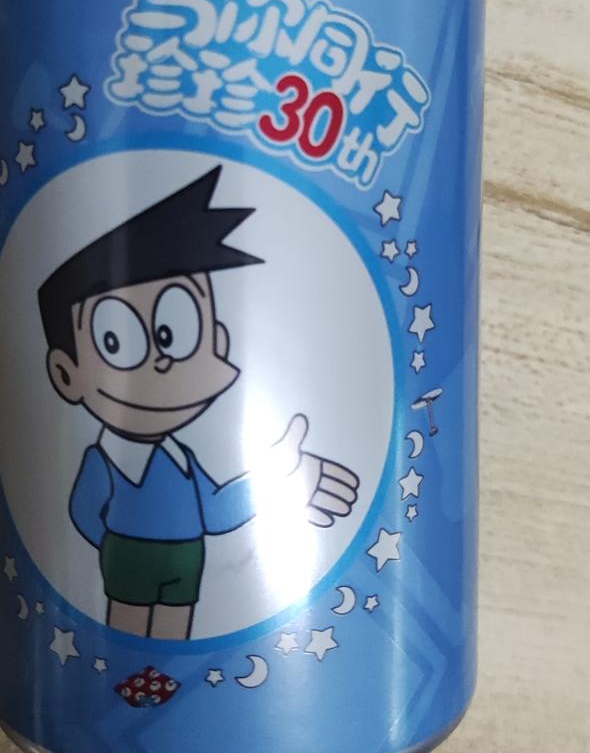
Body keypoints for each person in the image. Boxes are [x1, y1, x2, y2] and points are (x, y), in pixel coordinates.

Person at [38, 166, 359, 639]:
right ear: (67, 373)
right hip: (128, 556)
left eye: (175, 332)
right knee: (126, 631)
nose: (162, 361)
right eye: (116, 339)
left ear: (219, 341)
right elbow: (84, 515)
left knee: (174, 630)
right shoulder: (105, 462)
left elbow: (219, 510)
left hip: (188, 557)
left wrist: (282, 478)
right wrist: (113, 550)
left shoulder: (183, 461)